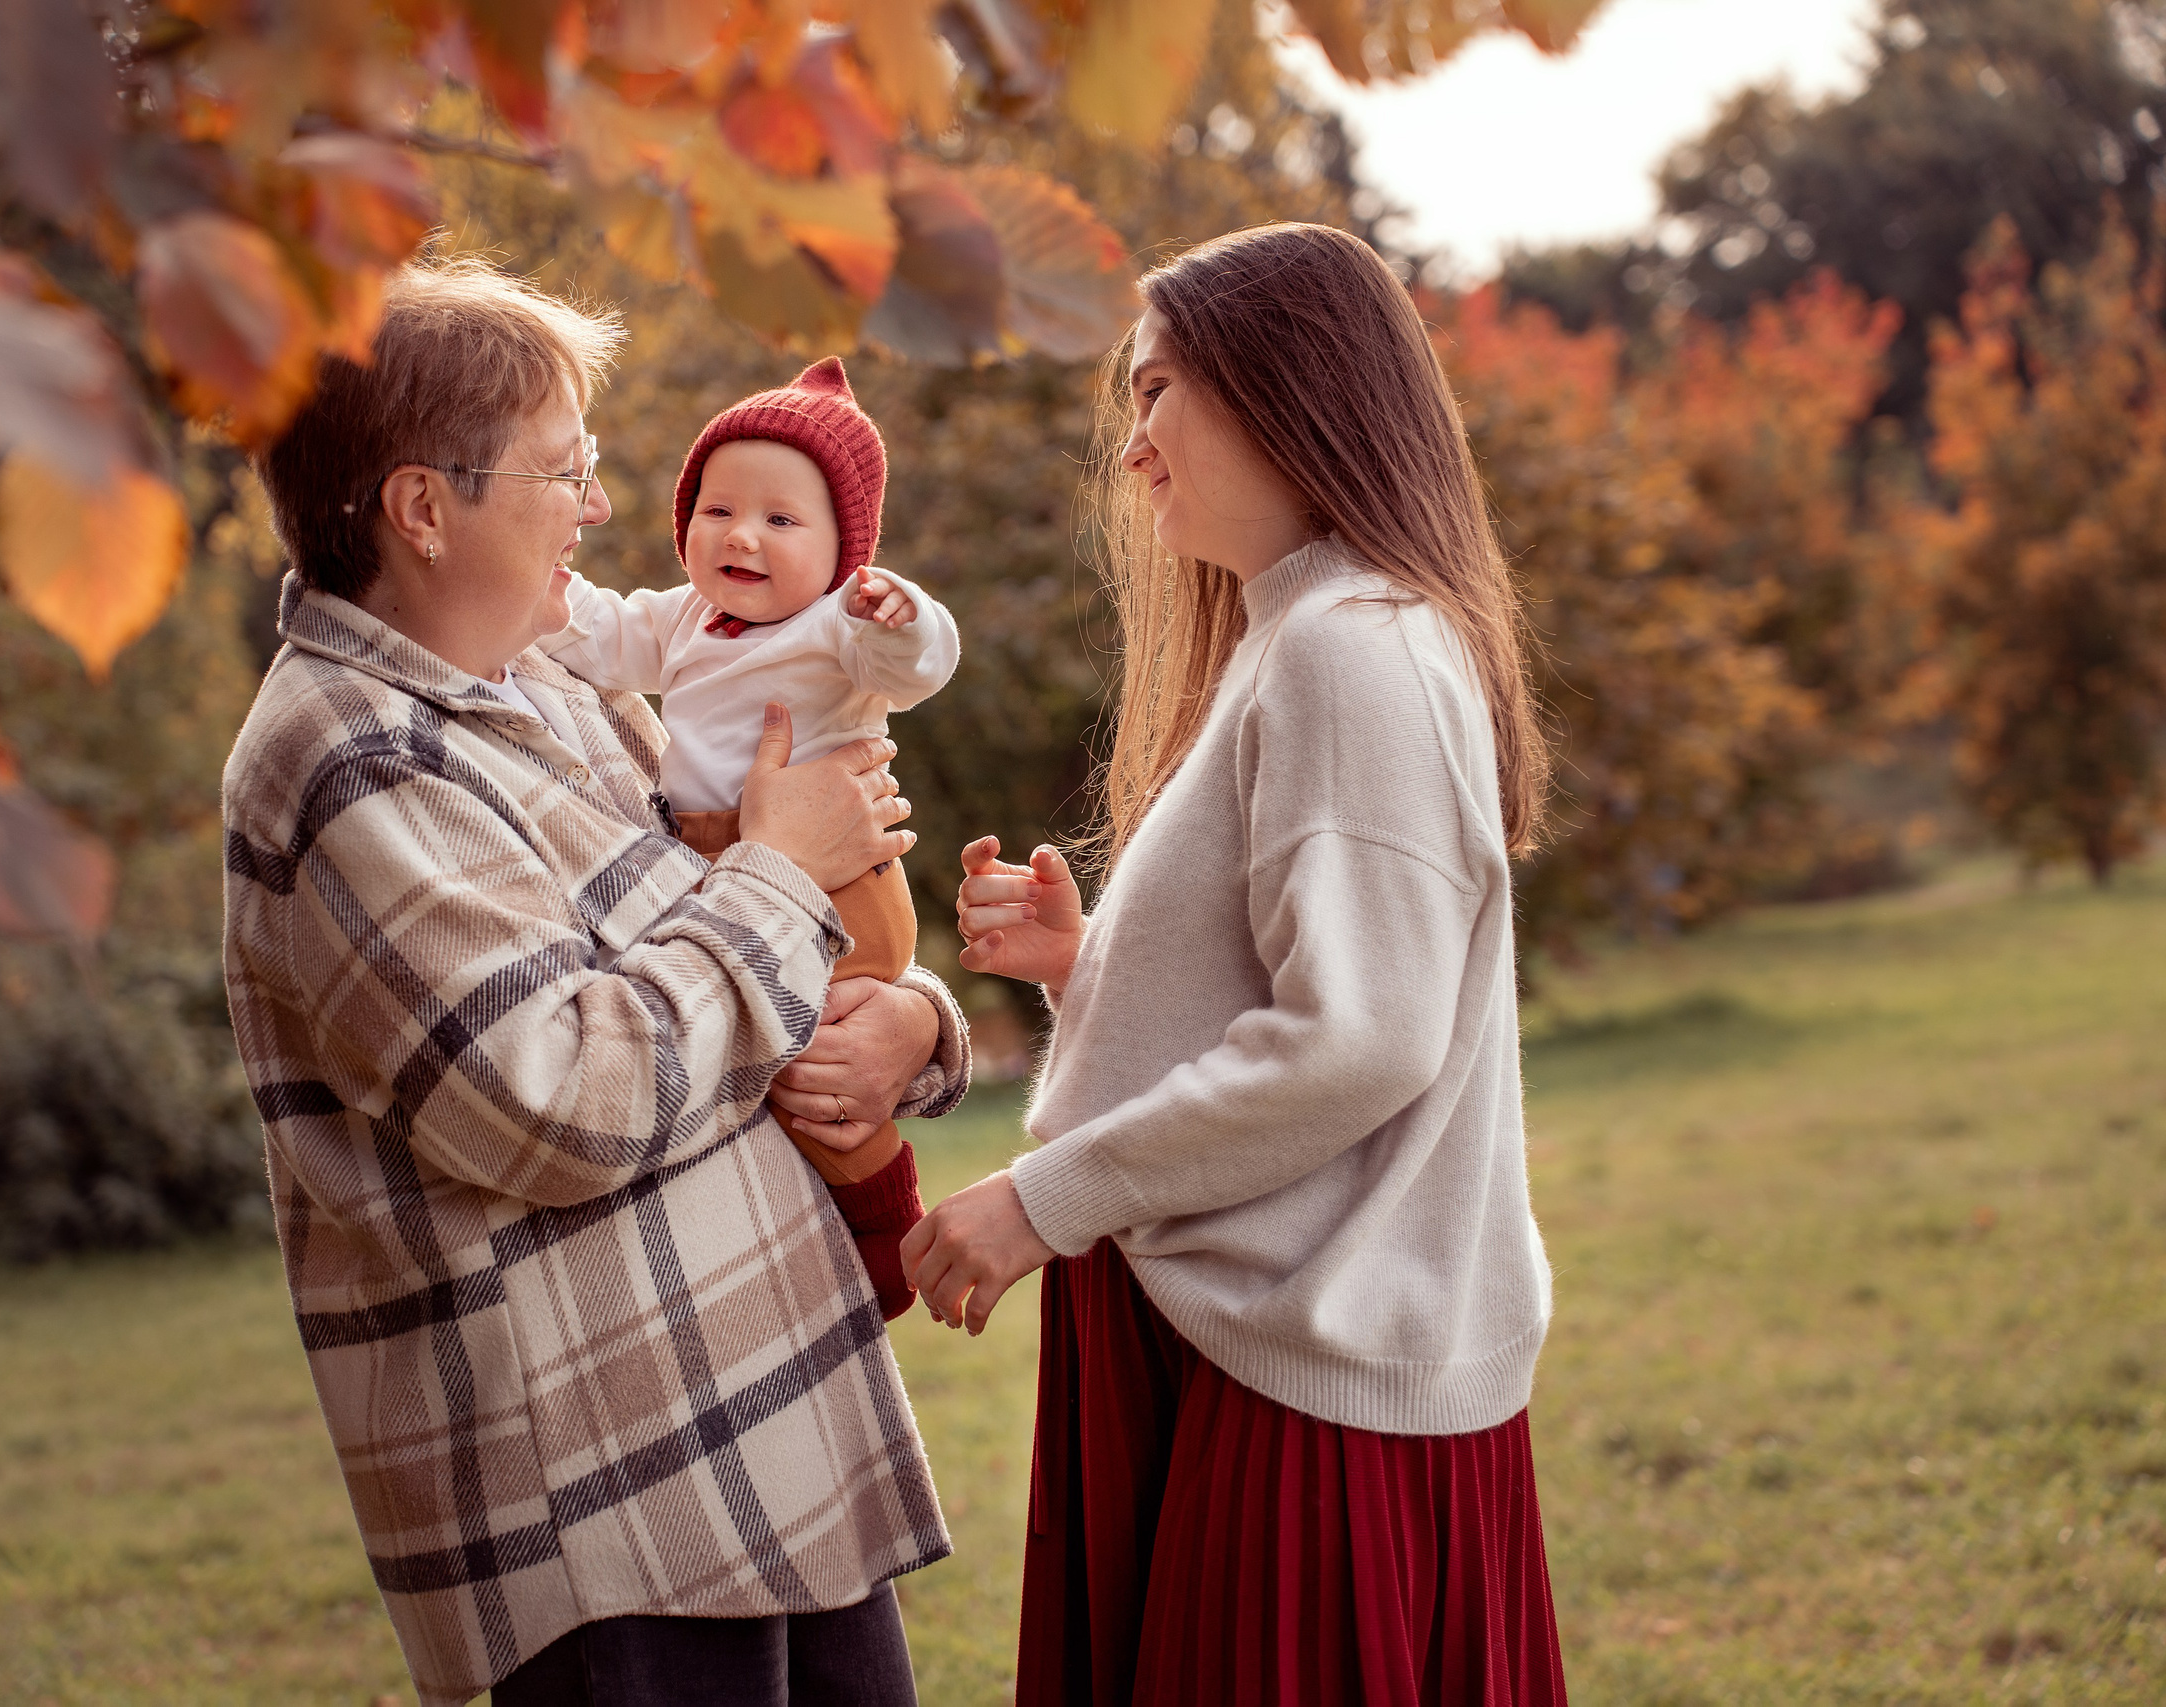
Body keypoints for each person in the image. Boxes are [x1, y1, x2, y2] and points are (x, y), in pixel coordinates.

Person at [223, 255, 968, 1707]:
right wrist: (779, 869)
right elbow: (560, 1101)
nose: (605, 506)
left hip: (770, 1430)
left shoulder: (547, 679)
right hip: (610, 1506)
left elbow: (745, 949)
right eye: (565, 470)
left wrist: (917, 1023)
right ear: (425, 508)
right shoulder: (353, 760)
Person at [902, 222, 1571, 1703]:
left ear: (1289, 386)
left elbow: (1365, 1039)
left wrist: (1042, 1195)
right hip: (1245, 1355)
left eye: (1158, 393)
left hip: (1304, 1394)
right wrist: (1096, 975)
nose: (1133, 446)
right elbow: (1305, 1003)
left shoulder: (1355, 644)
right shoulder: (1302, 634)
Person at [540, 357, 960, 1313]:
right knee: (767, 1060)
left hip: (838, 878)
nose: (742, 536)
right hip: (722, 862)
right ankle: (826, 1223)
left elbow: (918, 665)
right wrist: (538, 597)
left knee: (817, 1066)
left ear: (843, 551)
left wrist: (903, 616)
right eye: (718, 509)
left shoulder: (835, 629)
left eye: (781, 520)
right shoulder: (685, 617)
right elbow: (599, 631)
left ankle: (886, 1219)